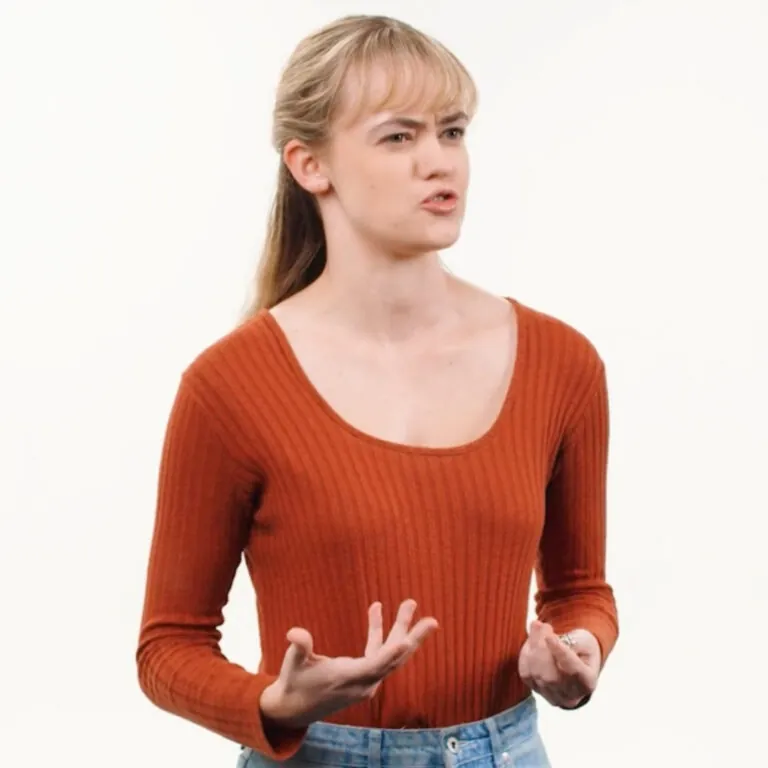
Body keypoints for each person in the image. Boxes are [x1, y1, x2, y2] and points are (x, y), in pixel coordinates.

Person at [136, 13, 619, 768]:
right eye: (400, 137)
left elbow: (581, 588)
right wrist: (275, 704)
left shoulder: (563, 364)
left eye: (453, 132)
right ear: (310, 165)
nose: (441, 162)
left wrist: (578, 653)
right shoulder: (229, 387)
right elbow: (168, 645)